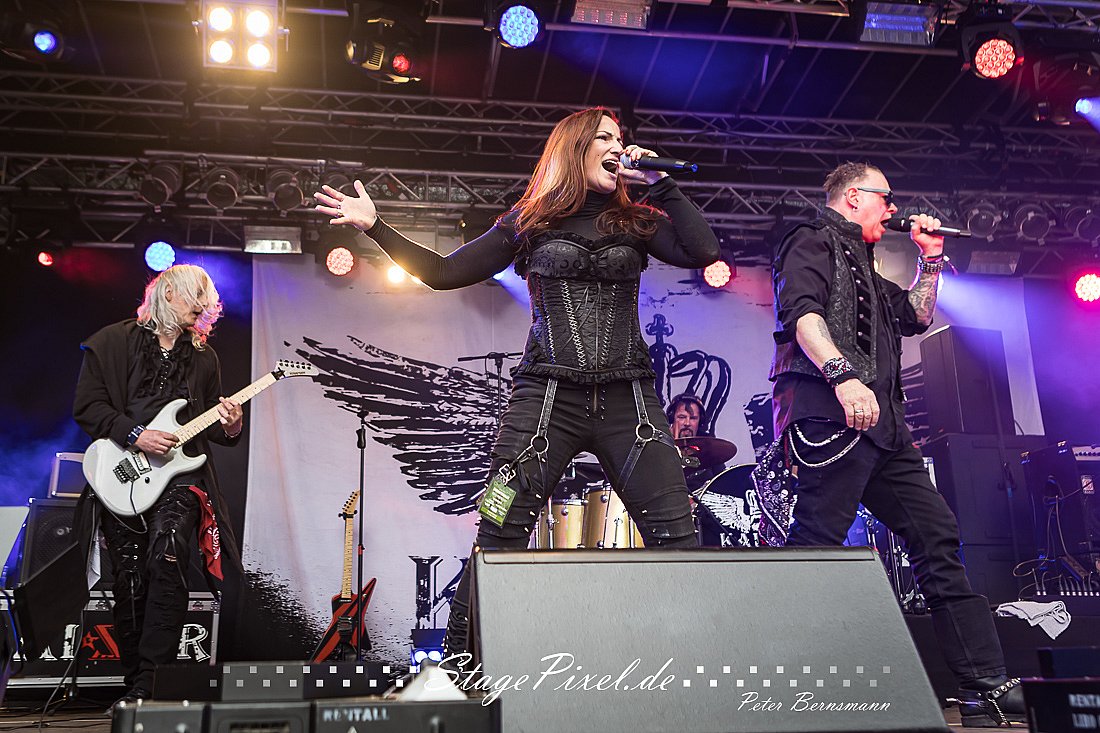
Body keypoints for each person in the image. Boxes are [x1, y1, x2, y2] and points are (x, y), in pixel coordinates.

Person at [315, 107, 718, 660]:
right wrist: (375, 227)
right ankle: (462, 673)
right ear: (575, 148)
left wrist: (661, 182)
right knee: (499, 534)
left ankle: (690, 671)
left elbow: (704, 251)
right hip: (546, 401)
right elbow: (443, 272)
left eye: (621, 138)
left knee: (677, 536)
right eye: (605, 137)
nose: (618, 146)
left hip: (630, 401)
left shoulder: (636, 220)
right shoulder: (530, 221)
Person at [764, 161, 1023, 726]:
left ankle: (983, 688)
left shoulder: (868, 265)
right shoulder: (809, 238)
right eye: (886, 197)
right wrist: (843, 376)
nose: (893, 207)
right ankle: (782, 689)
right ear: (854, 197)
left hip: (884, 430)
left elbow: (917, 315)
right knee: (816, 546)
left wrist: (931, 259)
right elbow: (802, 316)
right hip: (831, 415)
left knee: (936, 534)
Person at [73, 264, 244, 711]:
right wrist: (136, 435)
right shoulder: (113, 342)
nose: (203, 308)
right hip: (123, 473)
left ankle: (153, 683)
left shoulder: (203, 357)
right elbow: (88, 407)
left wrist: (232, 425)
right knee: (130, 578)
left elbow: (209, 424)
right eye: (195, 298)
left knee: (168, 556)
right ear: (167, 293)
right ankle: (136, 684)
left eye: (208, 302)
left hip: (180, 476)